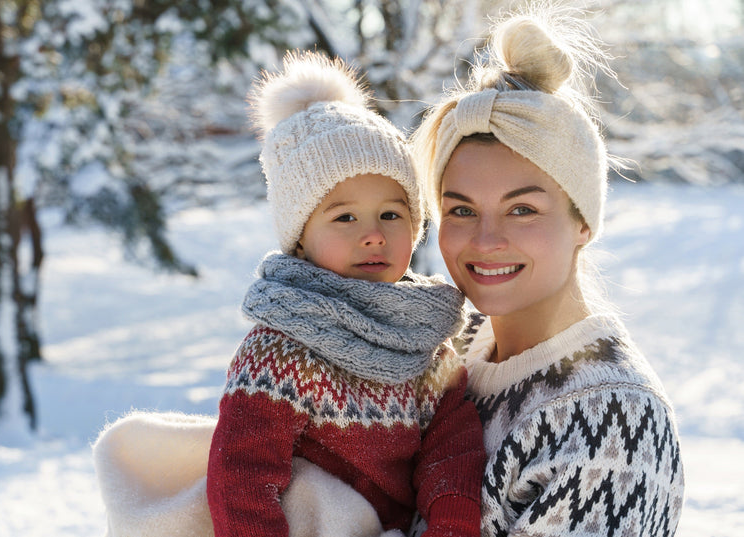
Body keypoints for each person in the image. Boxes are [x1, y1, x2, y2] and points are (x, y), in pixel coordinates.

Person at [409, 6, 685, 537]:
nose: (486, 241)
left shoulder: (617, 426)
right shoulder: (444, 353)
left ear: (583, 221)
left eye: (523, 209)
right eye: (461, 210)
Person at [206, 51, 485, 537]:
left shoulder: (425, 341)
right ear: (299, 238)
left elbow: (451, 455)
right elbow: (241, 479)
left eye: (392, 215)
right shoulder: (283, 351)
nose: (374, 235)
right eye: (345, 217)